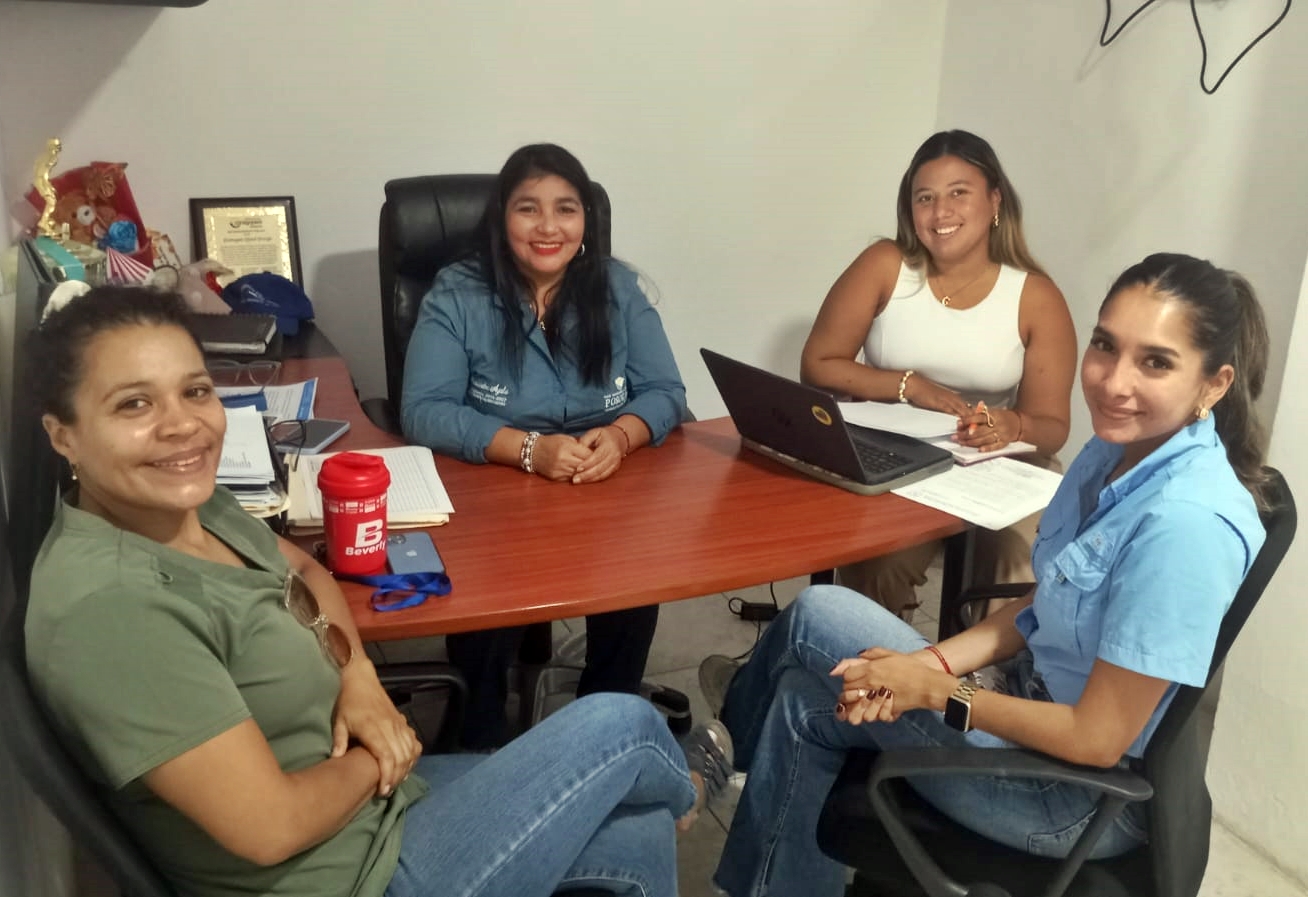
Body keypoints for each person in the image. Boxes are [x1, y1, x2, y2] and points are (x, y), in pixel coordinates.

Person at [23, 286, 731, 897]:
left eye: (196, 390)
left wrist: (358, 676)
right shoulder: (111, 608)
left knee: (638, 830)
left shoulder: (187, 504)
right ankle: (690, 788)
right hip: (345, 875)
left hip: (372, 816)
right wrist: (382, 753)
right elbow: (270, 828)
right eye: (133, 404)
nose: (181, 424)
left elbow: (310, 573)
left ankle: (670, 802)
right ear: (63, 435)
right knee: (620, 725)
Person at [702, 253, 1272, 897]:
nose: (1114, 382)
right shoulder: (1114, 451)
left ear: (1214, 384)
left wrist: (934, 692)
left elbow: (1095, 739)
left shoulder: (1185, 525)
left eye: (1156, 362)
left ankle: (716, 753)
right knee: (810, 661)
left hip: (1066, 796)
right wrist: (930, 664)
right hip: (1026, 695)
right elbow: (1042, 606)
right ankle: (729, 767)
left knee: (811, 651)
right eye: (1105, 346)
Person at [400, 143, 687, 748]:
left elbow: (666, 391)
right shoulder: (459, 293)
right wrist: (528, 449)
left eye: (566, 209)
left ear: (586, 221)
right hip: (496, 499)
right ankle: (477, 741)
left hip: (604, 492)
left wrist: (622, 436)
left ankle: (604, 734)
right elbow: (424, 410)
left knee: (634, 582)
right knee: (486, 629)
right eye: (529, 208)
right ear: (502, 218)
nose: (548, 226)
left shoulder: (617, 288)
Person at [801, 129, 1077, 620]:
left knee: (1021, 560)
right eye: (924, 198)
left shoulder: (1035, 296)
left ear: (995, 200)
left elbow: (1053, 427)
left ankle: (985, 666)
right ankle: (882, 661)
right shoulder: (885, 264)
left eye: (958, 193)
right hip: (894, 453)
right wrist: (909, 386)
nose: (940, 212)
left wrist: (1011, 425)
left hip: (995, 460)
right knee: (877, 562)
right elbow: (817, 365)